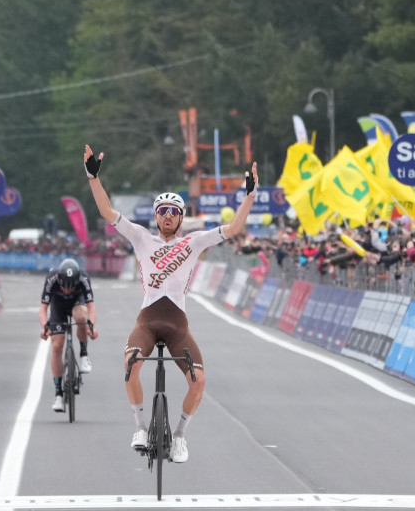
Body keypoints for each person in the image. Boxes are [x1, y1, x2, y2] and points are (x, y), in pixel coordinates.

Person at [84, 144, 258, 463]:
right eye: (162, 211)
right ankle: (139, 427)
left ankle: (179, 436)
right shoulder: (141, 238)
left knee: (199, 381)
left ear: (181, 217)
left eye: (173, 212)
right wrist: (94, 178)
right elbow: (108, 214)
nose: (167, 216)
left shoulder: (193, 243)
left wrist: (249, 197)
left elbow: (233, 229)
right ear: (155, 216)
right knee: (129, 367)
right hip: (147, 323)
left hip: (178, 326)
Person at [39, 258, 98, 412]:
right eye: (64, 286)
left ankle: (84, 355)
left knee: (80, 318)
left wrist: (91, 326)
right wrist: (45, 327)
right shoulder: (51, 278)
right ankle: (58, 394)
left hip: (77, 303)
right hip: (57, 306)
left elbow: (91, 307)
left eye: (71, 287)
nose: (67, 290)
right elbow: (43, 309)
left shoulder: (84, 278)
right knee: (57, 346)